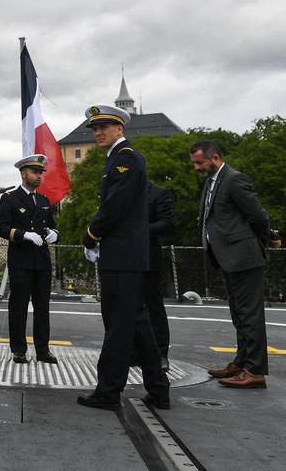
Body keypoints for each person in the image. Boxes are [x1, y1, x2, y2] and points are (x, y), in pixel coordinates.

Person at [77, 105, 169, 410]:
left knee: (118, 323)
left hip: (121, 255)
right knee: (138, 321)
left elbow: (115, 206)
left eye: (105, 127)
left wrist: (91, 233)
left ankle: (108, 391)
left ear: (120, 128)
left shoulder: (125, 158)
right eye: (95, 128)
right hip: (125, 254)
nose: (99, 132)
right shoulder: (118, 158)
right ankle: (158, 389)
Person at [190, 140, 279, 389]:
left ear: (215, 157)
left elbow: (258, 216)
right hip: (228, 257)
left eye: (200, 162)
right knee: (239, 315)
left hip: (244, 257)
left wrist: (263, 241)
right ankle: (242, 362)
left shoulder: (234, 179)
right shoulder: (212, 181)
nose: (196, 168)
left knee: (250, 315)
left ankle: (255, 371)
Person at [0, 154, 59, 364]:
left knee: (43, 307)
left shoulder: (43, 200)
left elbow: (51, 224)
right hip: (21, 261)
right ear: (23, 174)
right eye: (35, 172)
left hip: (41, 261)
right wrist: (23, 234)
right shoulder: (10, 198)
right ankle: (19, 350)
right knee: (19, 306)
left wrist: (55, 234)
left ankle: (43, 350)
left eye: (41, 173)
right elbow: (0, 227)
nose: (39, 176)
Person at [146, 181, 175, 371]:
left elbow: (167, 222)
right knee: (127, 307)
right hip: (124, 257)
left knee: (153, 306)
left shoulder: (158, 193)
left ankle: (161, 353)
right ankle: (133, 352)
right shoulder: (121, 191)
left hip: (149, 256)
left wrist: (139, 231)